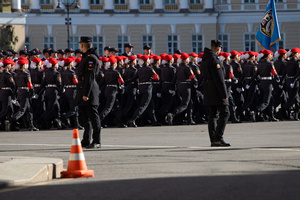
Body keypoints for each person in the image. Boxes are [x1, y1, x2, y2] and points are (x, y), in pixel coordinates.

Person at [201, 40, 230, 147]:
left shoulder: (206, 58)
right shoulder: (214, 59)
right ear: (218, 48)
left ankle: (213, 139)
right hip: (216, 90)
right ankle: (218, 137)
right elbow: (219, 79)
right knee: (225, 112)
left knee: (213, 115)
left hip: (209, 88)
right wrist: (224, 94)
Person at [75, 36, 101, 149]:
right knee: (85, 118)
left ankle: (96, 141)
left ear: (82, 45)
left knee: (93, 118)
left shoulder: (91, 59)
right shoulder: (86, 57)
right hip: (83, 89)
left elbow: (90, 78)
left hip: (89, 91)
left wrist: (86, 94)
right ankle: (86, 140)